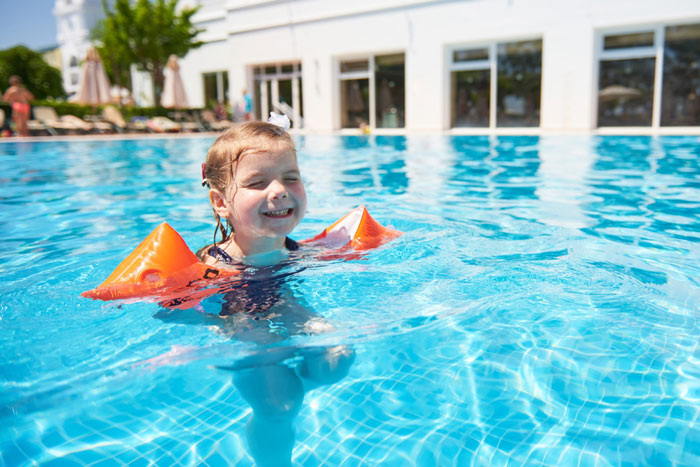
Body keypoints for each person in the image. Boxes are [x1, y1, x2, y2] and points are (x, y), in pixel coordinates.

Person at [198, 116, 355, 466]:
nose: (279, 190)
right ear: (221, 203)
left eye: (291, 178)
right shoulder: (216, 264)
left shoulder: (296, 250)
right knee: (277, 407)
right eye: (257, 182)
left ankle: (298, 382)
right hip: (241, 321)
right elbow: (181, 302)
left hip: (285, 306)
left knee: (339, 358)